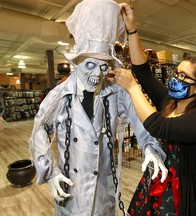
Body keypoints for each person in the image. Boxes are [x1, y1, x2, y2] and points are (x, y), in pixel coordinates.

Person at [29, 0, 168, 215]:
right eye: (90, 65)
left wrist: (150, 146)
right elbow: (39, 130)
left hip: (104, 187)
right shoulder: (59, 95)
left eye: (103, 66)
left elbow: (141, 118)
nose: (97, 74)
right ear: (77, 62)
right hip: (71, 187)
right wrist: (51, 172)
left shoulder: (115, 92)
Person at [114, 3, 196, 216]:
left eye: (184, 77)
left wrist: (131, 87)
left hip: (187, 195)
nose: (176, 79)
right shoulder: (169, 102)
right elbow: (143, 71)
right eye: (176, 73)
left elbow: (159, 126)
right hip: (155, 185)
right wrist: (132, 28)